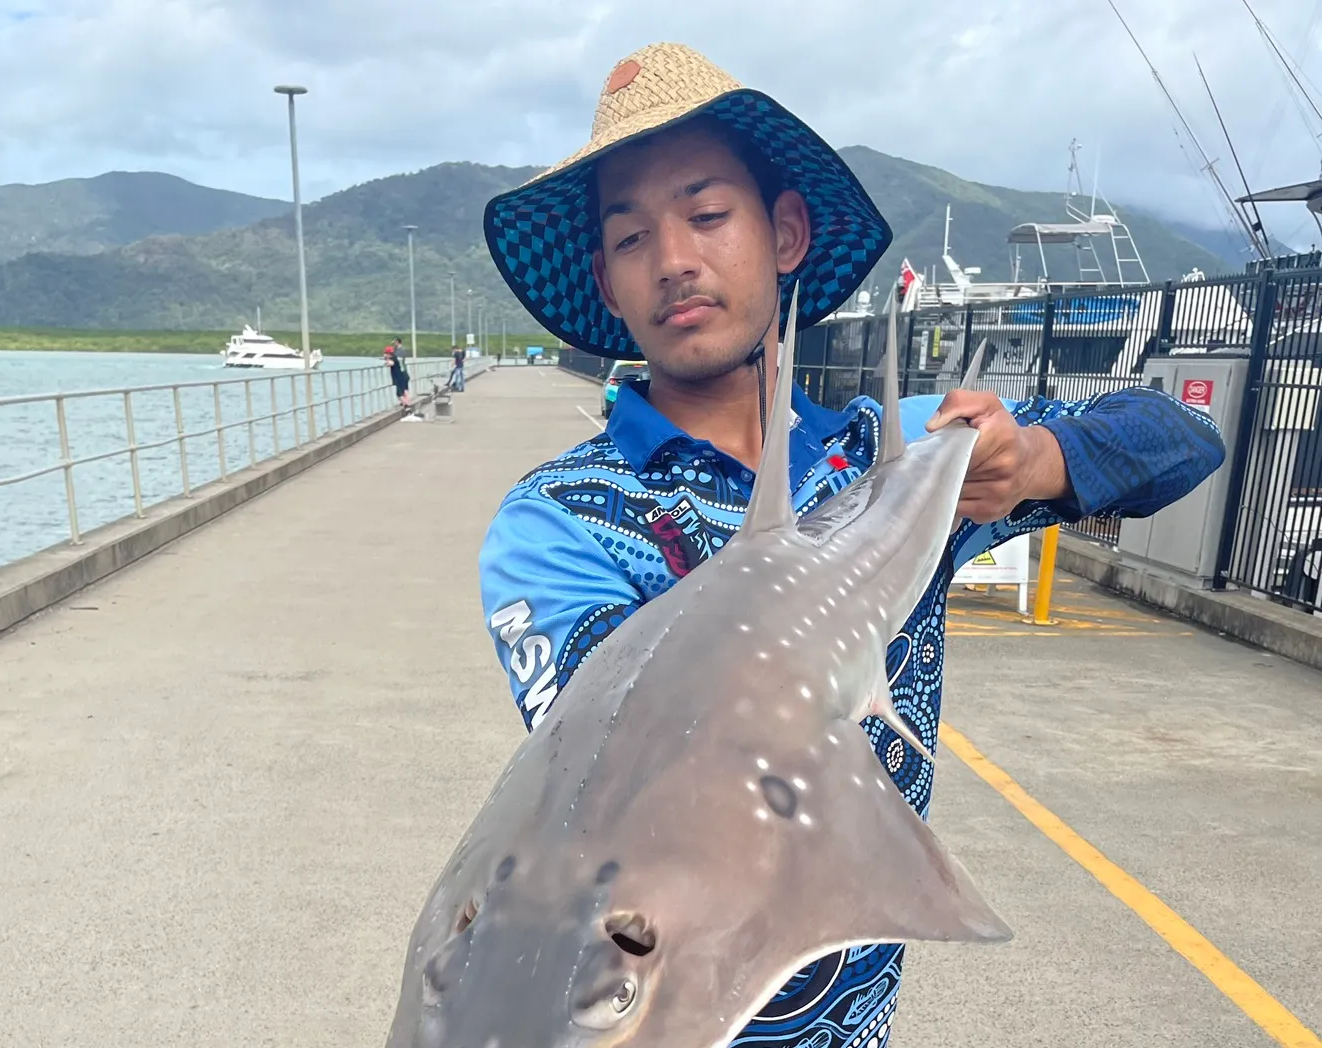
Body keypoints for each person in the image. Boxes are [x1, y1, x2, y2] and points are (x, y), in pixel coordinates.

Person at [475, 42, 1226, 1047]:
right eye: (631, 237)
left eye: (706, 214)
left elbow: (1182, 442)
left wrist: (1032, 459)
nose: (675, 260)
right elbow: (611, 782)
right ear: (607, 284)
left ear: (784, 232)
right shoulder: (556, 520)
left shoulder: (899, 454)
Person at [385, 344, 411, 409]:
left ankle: (407, 405)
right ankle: (407, 402)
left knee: (399, 394)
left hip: (398, 377)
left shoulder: (393, 358)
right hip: (403, 375)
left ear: (388, 353)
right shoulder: (397, 357)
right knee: (405, 390)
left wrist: (387, 360)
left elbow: (391, 363)